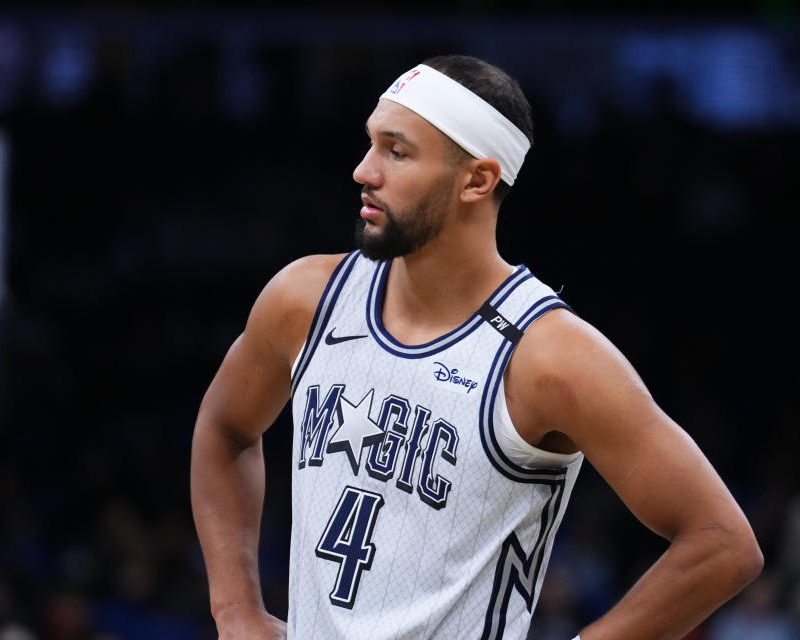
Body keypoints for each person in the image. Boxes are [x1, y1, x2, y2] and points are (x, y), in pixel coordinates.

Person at [190, 54, 763, 640]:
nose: (364, 170)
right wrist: (234, 609)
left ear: (477, 180)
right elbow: (224, 428)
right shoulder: (305, 299)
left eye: (397, 151)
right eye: (370, 143)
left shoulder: (549, 357)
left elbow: (722, 542)